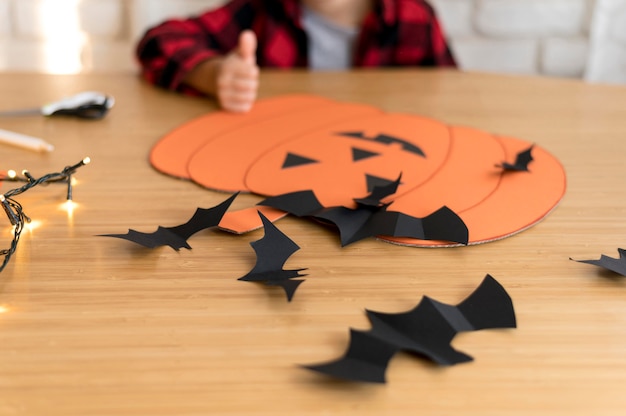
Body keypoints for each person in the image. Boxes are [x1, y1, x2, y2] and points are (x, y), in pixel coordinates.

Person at [136, 0, 456, 112]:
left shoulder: (415, 18)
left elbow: (454, 101)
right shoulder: (260, 12)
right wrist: (211, 73)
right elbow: (158, 40)